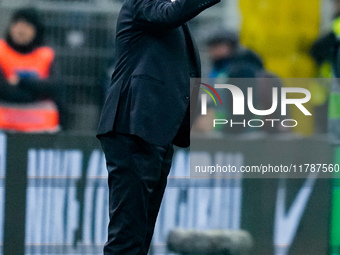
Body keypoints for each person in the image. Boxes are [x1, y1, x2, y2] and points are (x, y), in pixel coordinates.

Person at [96, 0, 221, 253]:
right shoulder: (143, 4)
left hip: (155, 132)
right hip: (133, 129)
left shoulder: (166, 16)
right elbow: (170, 14)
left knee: (139, 238)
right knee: (127, 238)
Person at [0, 7, 66, 132]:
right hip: (4, 124)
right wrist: (36, 89)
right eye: (18, 25)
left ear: (36, 30)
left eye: (27, 26)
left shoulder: (46, 54)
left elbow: (55, 86)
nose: (21, 31)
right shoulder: (1, 51)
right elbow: (3, 88)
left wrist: (21, 82)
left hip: (41, 126)